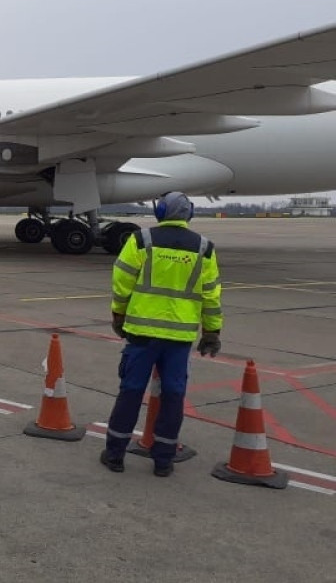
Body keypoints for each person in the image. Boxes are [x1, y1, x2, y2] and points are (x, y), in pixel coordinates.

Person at [100, 191, 223, 477]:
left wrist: (119, 314)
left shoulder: (142, 240)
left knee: (130, 392)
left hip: (142, 333)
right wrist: (212, 331)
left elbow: (122, 281)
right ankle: (164, 461)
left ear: (161, 212)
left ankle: (115, 455)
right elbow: (211, 295)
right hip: (179, 339)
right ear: (189, 214)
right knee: (173, 396)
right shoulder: (204, 248)